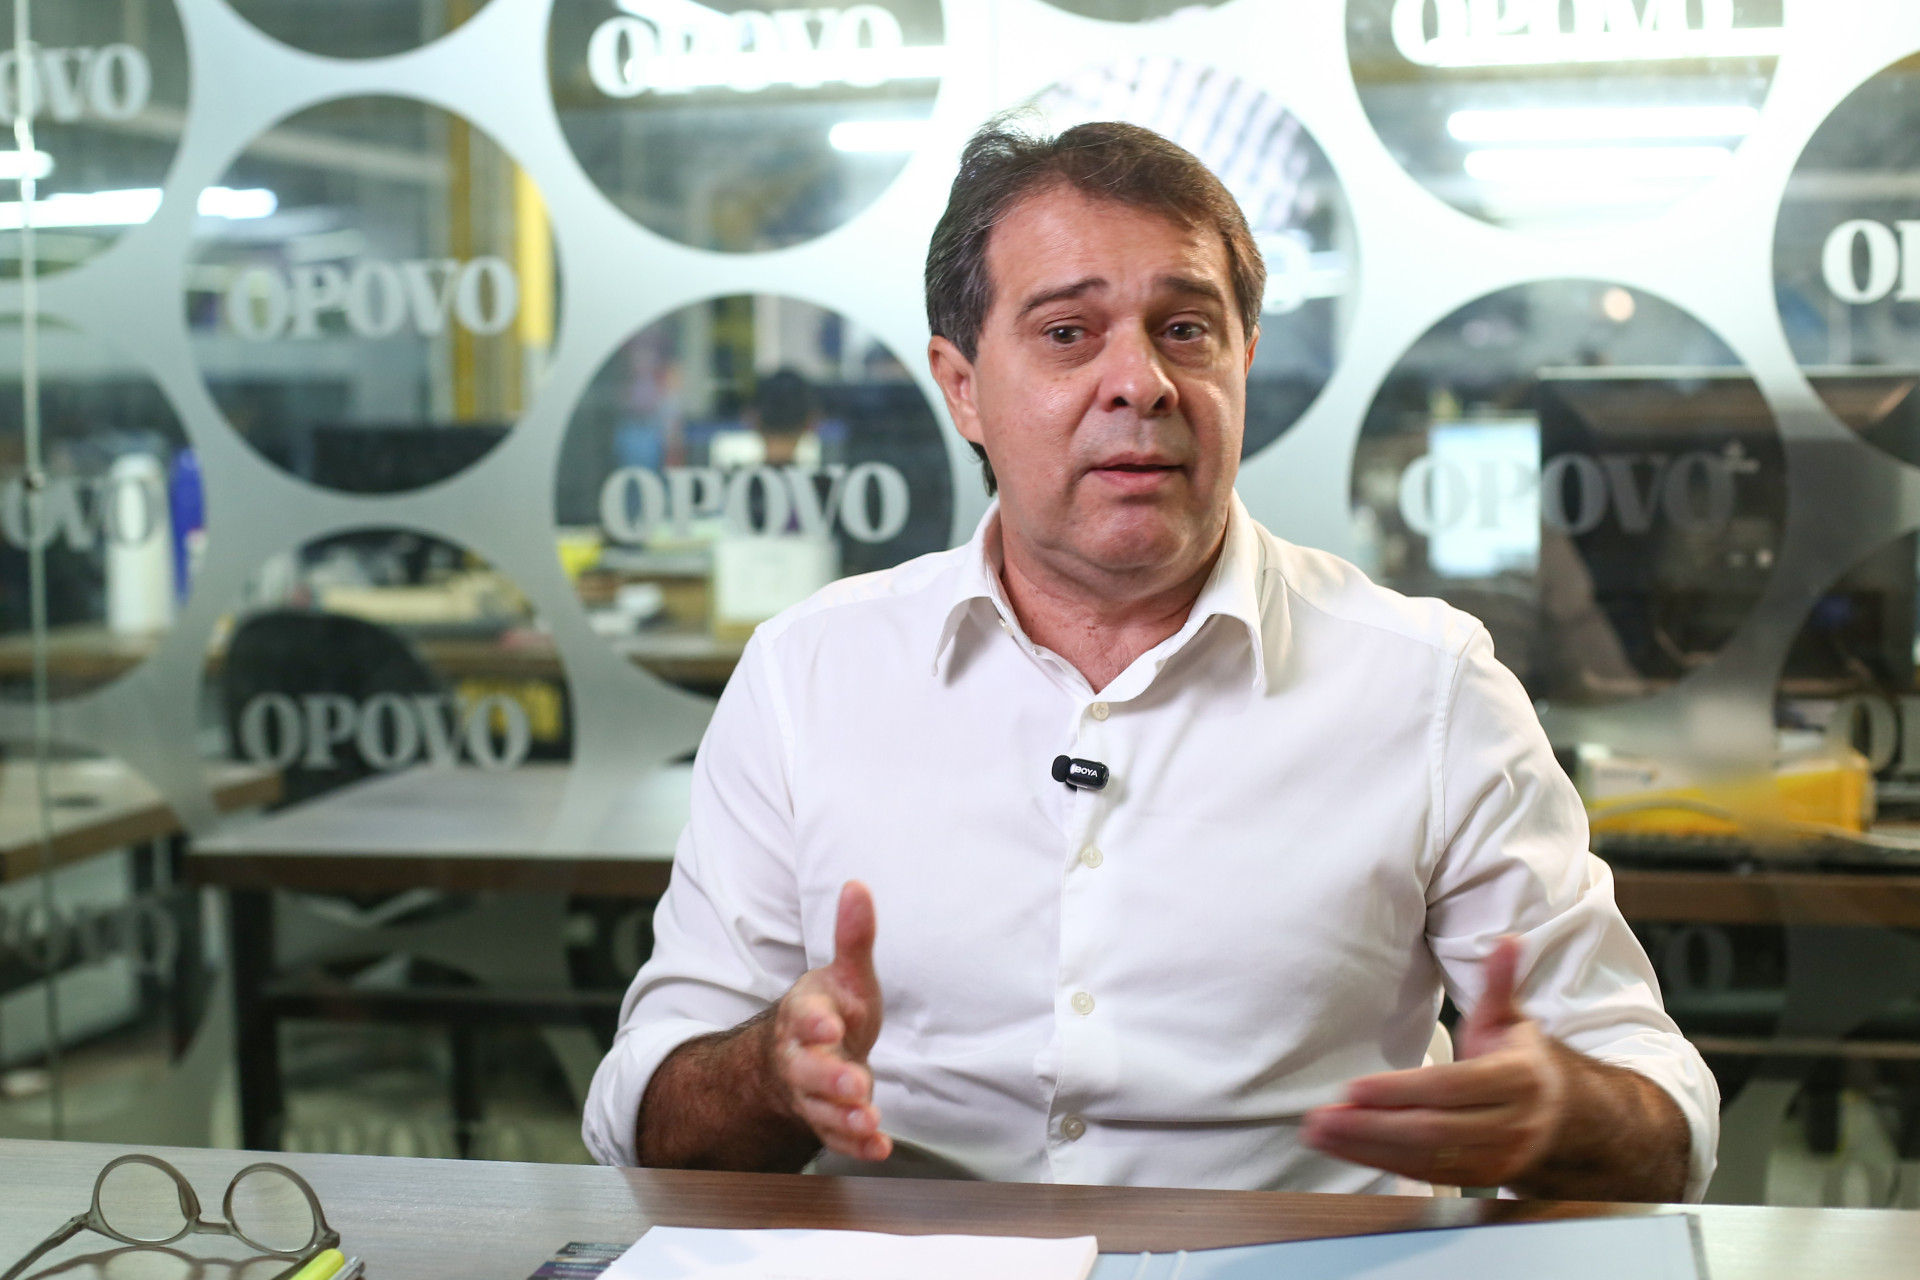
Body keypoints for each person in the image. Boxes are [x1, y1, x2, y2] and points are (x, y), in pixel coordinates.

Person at [582, 120, 1718, 1200]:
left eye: (1185, 329)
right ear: (963, 385)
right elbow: (646, 1122)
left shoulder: (1430, 686)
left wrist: (1567, 1114)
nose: (1142, 382)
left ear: (1243, 362)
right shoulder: (809, 674)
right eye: (1068, 333)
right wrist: (770, 1074)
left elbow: (1659, 1110)